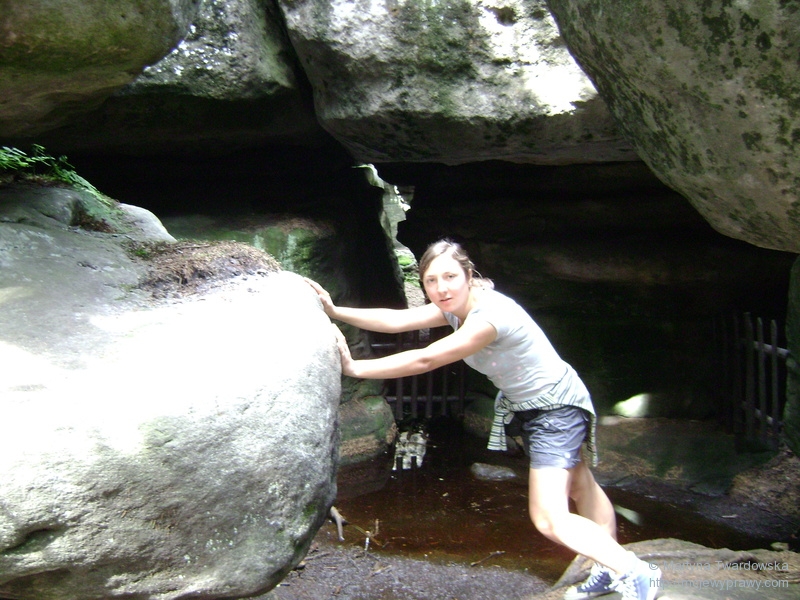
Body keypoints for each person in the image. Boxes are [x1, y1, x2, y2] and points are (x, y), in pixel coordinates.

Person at [306, 239, 661, 600]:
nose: (441, 288)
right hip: (540, 405)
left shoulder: (489, 317)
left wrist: (355, 368)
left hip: (555, 410)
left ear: (468, 274)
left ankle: (634, 571)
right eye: (431, 280)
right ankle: (607, 569)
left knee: (548, 518)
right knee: (581, 487)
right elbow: (398, 320)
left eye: (450, 277)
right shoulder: (454, 307)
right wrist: (335, 310)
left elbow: (427, 359)